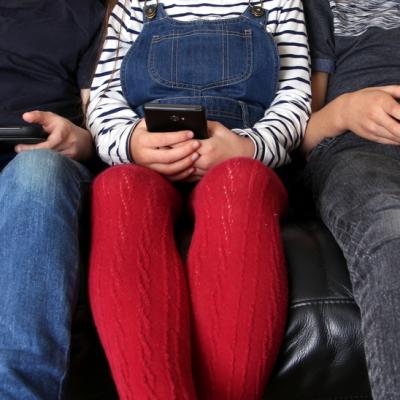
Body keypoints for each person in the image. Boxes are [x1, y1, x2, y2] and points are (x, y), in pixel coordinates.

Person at [87, 0, 311, 398]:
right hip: (150, 158)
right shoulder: (134, 4)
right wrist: (131, 143)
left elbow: (295, 97)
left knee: (239, 182)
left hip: (239, 153)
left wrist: (249, 148)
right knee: (119, 188)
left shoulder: (280, 2)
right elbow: (104, 96)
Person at [0, 0, 105, 398]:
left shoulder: (87, 14)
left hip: (41, 161)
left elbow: (101, 122)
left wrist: (78, 139)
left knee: (37, 170)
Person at [302, 1, 400, 399]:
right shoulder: (315, 8)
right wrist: (345, 111)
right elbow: (296, 131)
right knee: (390, 235)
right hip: (356, 147)